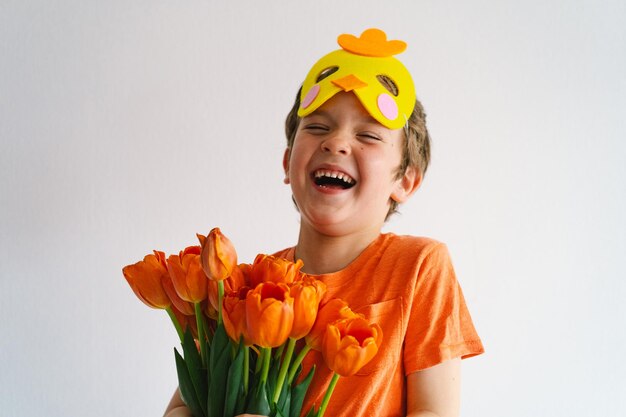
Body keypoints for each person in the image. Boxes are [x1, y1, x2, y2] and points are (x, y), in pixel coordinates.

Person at [164, 28, 483, 417]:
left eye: (368, 134)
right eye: (317, 127)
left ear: (405, 180)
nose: (336, 143)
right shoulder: (249, 287)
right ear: (287, 163)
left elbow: (435, 413)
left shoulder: (419, 266)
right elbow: (181, 409)